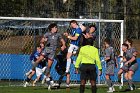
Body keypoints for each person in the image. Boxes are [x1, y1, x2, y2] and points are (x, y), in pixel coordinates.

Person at [32, 23, 66, 89]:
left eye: (56, 27)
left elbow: (62, 40)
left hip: (52, 52)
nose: (56, 28)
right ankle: (32, 70)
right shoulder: (47, 34)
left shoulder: (58, 34)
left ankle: (46, 76)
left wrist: (64, 45)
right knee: (39, 59)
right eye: (55, 27)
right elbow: (42, 40)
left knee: (49, 66)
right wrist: (43, 41)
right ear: (52, 28)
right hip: (46, 50)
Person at [63, 20, 82, 88]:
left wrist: (68, 36)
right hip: (74, 45)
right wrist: (68, 35)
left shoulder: (78, 30)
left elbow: (75, 38)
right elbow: (72, 36)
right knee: (68, 58)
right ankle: (77, 65)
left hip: (74, 45)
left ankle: (67, 70)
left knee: (68, 57)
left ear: (74, 23)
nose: (71, 26)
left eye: (72, 24)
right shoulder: (74, 29)